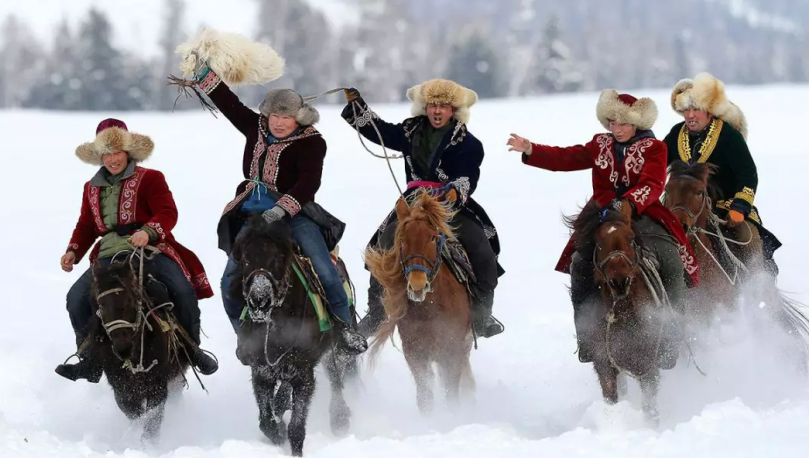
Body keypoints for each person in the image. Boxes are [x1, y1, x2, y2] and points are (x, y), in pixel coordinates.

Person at [186, 42, 368, 354]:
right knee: (229, 280)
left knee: (324, 269)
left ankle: (345, 328)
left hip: (296, 218)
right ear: (266, 115)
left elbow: (308, 184)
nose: (279, 123)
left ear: (299, 118)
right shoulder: (254, 128)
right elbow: (228, 102)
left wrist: (281, 211)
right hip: (254, 219)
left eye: (287, 118)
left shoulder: (312, 143)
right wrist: (203, 72)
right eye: (274, 116)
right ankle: (246, 339)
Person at [508, 90, 698, 365]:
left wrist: (629, 204)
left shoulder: (655, 148)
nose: (616, 129)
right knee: (579, 263)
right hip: (603, 212)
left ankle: (670, 339)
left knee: (671, 260)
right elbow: (567, 158)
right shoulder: (600, 145)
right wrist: (531, 149)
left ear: (637, 124)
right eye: (612, 122)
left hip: (643, 212)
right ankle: (587, 338)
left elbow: (653, 184)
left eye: (622, 123)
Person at [56, 119, 219, 382]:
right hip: (108, 255)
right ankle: (89, 360)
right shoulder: (91, 187)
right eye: (106, 154)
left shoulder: (151, 178)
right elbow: (87, 225)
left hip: (150, 249)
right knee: (75, 298)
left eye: (117, 152)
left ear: (128, 153)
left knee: (181, 290)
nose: (112, 159)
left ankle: (192, 349)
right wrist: (73, 251)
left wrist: (149, 231)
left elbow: (167, 212)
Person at [341, 79, 504, 339]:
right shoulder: (409, 131)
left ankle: (482, 315)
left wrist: (455, 190)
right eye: (432, 105)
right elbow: (379, 131)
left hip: (450, 206)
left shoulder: (469, 143)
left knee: (483, 251)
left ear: (454, 110)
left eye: (443, 106)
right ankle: (376, 312)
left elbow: (468, 176)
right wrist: (358, 106)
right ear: (424, 108)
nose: (437, 111)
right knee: (380, 250)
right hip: (413, 203)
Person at [665, 71, 780, 277]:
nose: (690, 115)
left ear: (709, 110)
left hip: (725, 208)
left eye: (696, 109)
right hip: (683, 207)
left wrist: (740, 207)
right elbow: (656, 165)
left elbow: (748, 174)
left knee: (748, 238)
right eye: (685, 110)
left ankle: (757, 286)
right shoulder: (676, 134)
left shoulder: (728, 135)